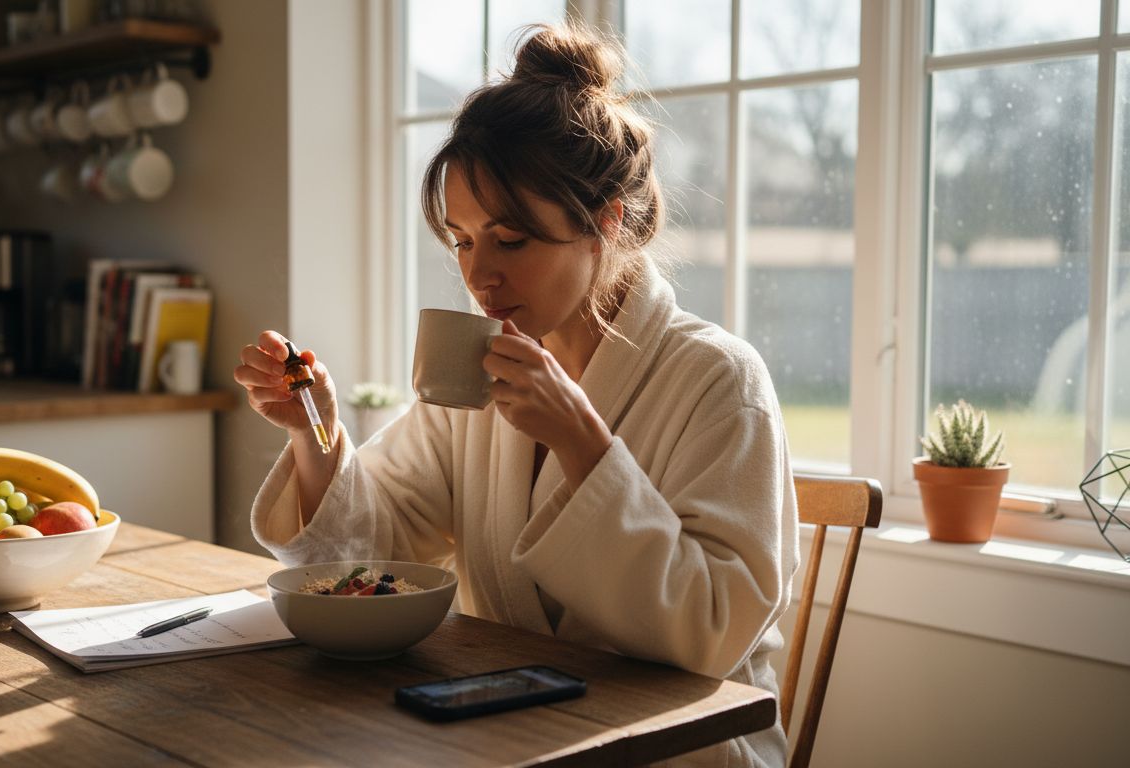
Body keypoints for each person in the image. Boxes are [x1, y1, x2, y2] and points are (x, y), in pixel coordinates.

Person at [234, 22, 798, 767]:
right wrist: (316, 434)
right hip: (509, 738)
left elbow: (713, 635)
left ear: (606, 221)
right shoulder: (477, 367)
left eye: (511, 239)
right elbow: (370, 560)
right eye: (463, 240)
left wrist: (583, 444)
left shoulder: (720, 381)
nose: (478, 276)